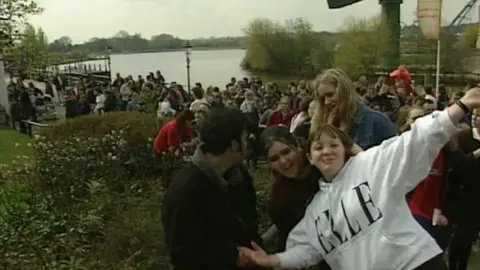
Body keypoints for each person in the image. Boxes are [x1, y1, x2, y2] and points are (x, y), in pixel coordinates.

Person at [239, 88, 480, 270]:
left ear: (345, 149)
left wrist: (461, 106)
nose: (326, 151)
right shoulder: (315, 211)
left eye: (333, 144)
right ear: (309, 158)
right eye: (319, 147)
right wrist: (271, 259)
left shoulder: (370, 165)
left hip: (414, 263)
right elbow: (307, 250)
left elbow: (416, 140)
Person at [162, 107, 264, 270]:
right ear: (234, 144)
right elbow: (182, 253)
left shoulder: (239, 174)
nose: (249, 139)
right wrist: (233, 256)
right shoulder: (185, 190)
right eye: (245, 136)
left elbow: (249, 221)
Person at [260, 126, 331, 270]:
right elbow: (291, 241)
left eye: (286, 152)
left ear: (297, 146)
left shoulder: (324, 166)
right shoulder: (279, 200)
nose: (283, 161)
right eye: (274, 159)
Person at [310, 68, 395, 149]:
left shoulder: (378, 123)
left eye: (330, 95)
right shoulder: (323, 123)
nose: (326, 102)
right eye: (323, 98)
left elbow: (391, 161)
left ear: (345, 91)